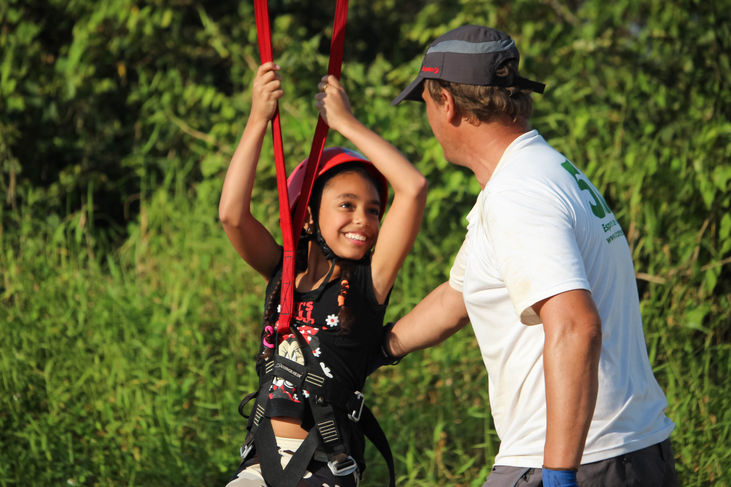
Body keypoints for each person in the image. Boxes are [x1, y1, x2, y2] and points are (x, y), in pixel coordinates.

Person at [383, 25, 678, 486]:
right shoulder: (542, 171)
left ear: (447, 103)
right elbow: (454, 299)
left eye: (426, 105)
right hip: (624, 452)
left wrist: (559, 475)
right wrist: (376, 348)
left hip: (577, 459)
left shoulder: (518, 193)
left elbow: (576, 326)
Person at [219, 62, 427, 487]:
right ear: (309, 216)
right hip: (259, 469)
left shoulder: (370, 282)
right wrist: (258, 119)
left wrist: (345, 124)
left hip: (324, 471)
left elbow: (413, 187)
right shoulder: (282, 274)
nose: (363, 221)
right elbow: (232, 216)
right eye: (347, 205)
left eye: (372, 210)